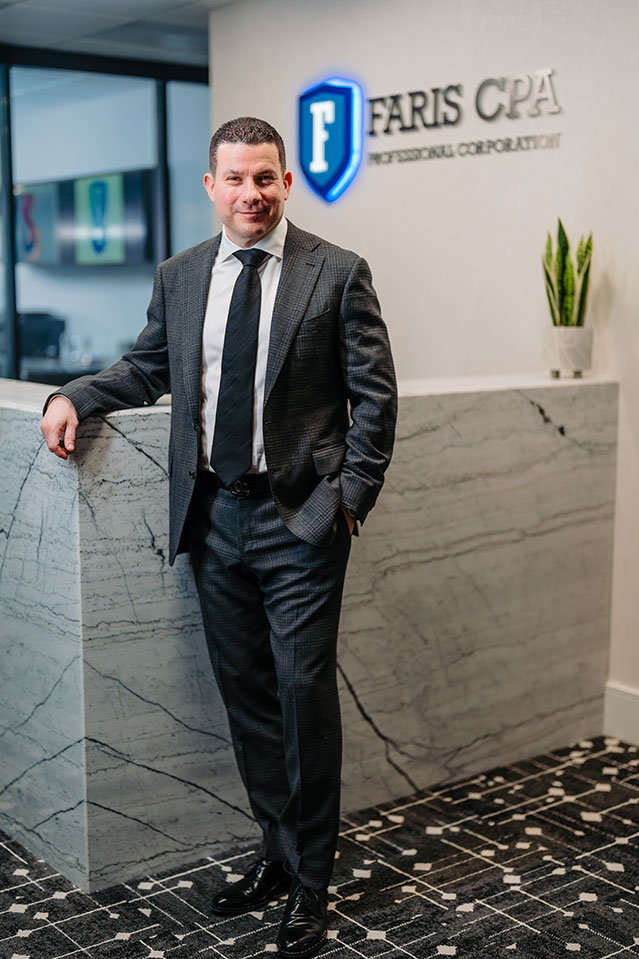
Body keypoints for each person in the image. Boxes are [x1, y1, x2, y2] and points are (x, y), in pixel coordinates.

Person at [40, 117, 397, 958]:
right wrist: (77, 395)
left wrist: (349, 497)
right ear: (210, 185)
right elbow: (149, 366)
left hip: (300, 522)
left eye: (265, 178)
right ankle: (276, 853)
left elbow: (374, 396)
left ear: (284, 182)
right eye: (235, 179)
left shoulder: (336, 272)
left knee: (303, 698)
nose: (251, 194)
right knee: (246, 702)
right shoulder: (181, 273)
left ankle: (312, 883)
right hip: (211, 516)